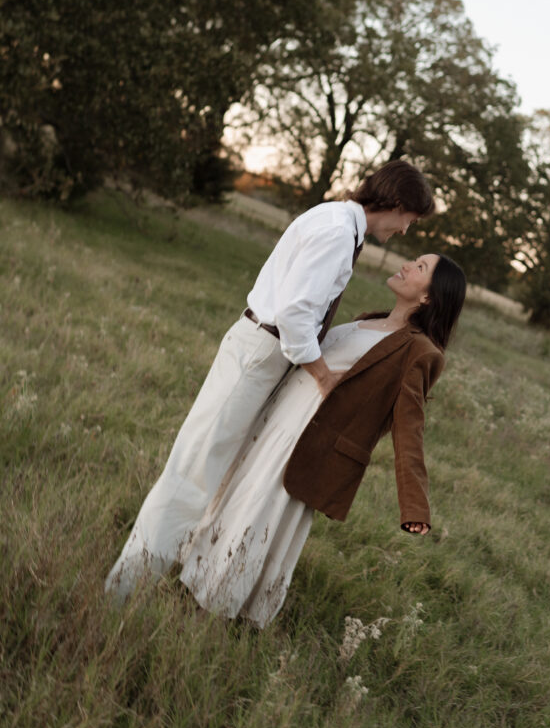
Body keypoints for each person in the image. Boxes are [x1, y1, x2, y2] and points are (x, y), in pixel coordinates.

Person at [105, 161, 434, 598]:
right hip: (261, 350)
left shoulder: (339, 223)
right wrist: (321, 375)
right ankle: (124, 589)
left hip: (263, 352)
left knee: (208, 469)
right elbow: (296, 314)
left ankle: (157, 572)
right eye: (409, 220)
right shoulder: (337, 231)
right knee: (193, 473)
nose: (406, 231)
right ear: (395, 204)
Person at [109, 252, 467, 628]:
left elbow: (410, 427)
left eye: (420, 268)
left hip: (305, 447)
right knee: (230, 503)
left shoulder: (420, 352)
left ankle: (213, 611)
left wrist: (415, 506)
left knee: (255, 518)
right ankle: (191, 583)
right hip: (273, 424)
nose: (408, 265)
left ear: (428, 297)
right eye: (414, 260)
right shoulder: (370, 320)